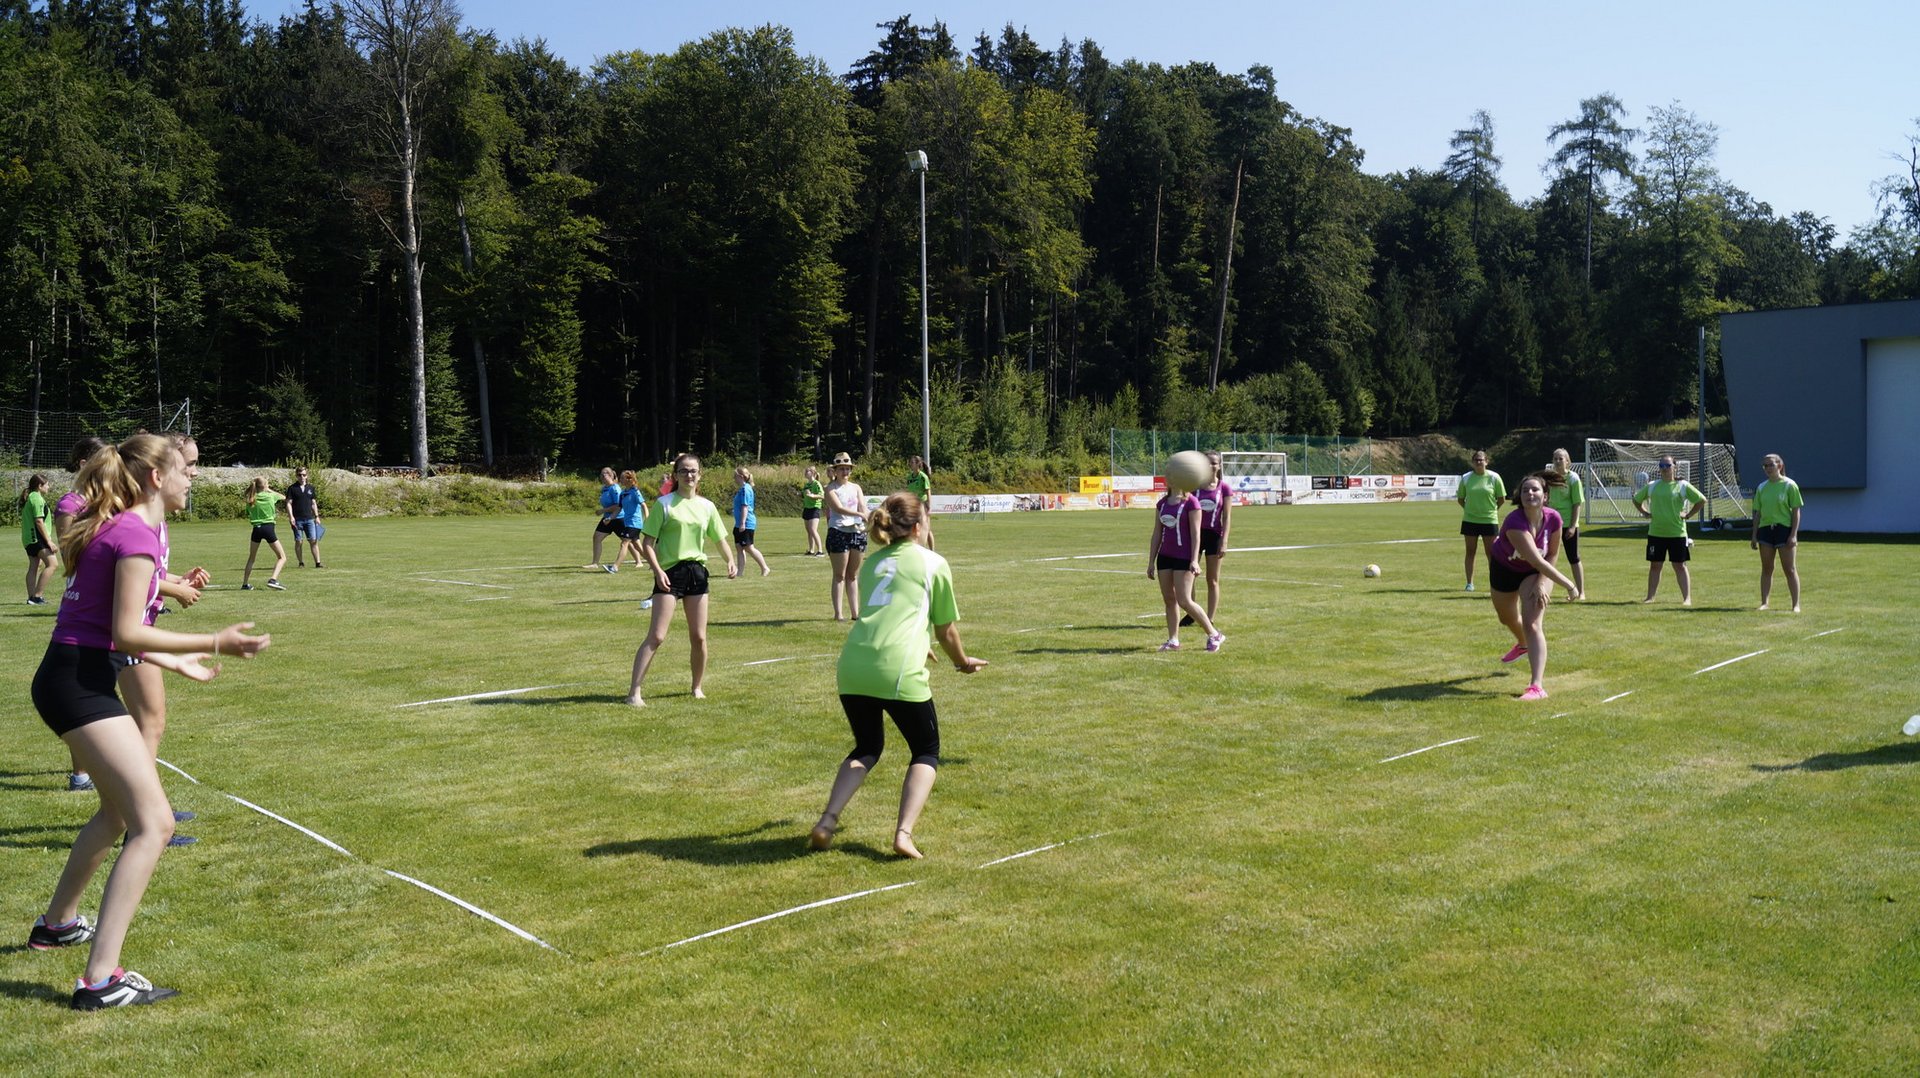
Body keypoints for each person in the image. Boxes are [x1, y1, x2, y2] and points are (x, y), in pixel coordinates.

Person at [26, 433, 269, 1009]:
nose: (192, 479)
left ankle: (57, 924)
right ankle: (100, 981)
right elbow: (127, 631)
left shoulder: (122, 527)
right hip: (78, 684)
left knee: (118, 813)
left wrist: (175, 659)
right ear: (157, 477)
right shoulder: (133, 532)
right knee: (154, 824)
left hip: (74, 677)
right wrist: (214, 641)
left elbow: (114, 630)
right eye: (185, 470)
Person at [808, 493, 986, 859]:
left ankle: (827, 821)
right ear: (918, 526)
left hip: (854, 664)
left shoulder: (873, 563)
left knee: (867, 747)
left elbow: (889, 614)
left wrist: (919, 643)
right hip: (897, 669)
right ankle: (903, 834)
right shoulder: (932, 562)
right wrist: (962, 661)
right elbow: (946, 631)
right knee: (926, 750)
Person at [123, 432, 214, 846]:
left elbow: (149, 573)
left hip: (140, 629)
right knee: (150, 723)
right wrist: (173, 589)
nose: (194, 473)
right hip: (131, 633)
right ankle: (142, 816)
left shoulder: (154, 519)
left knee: (150, 722)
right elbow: (130, 576)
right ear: (162, 470)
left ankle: (147, 808)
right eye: (188, 465)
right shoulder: (138, 520)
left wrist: (178, 579)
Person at [626, 454, 736, 707]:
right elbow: (648, 543)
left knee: (699, 637)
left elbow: (719, 539)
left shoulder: (707, 506)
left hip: (697, 573)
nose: (689, 475)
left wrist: (730, 559)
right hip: (669, 574)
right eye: (684, 471)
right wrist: (657, 571)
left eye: (693, 471)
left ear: (700, 474)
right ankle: (634, 692)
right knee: (657, 636)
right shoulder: (664, 504)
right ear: (676, 475)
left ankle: (697, 687)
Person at [1490, 471, 1582, 701]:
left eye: (1535, 489)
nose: (1530, 493)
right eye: (1525, 490)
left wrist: (1542, 581)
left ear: (1545, 496)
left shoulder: (1554, 518)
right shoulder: (1514, 522)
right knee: (1506, 618)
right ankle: (1522, 644)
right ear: (1519, 497)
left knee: (1532, 623)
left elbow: (1552, 555)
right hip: (1504, 570)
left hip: (1533, 573)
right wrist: (1570, 585)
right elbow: (1537, 559)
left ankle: (1536, 686)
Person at [53, 437, 109, 792]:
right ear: (85, 463)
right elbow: (69, 556)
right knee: (84, 691)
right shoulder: (70, 504)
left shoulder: (104, 501)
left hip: (104, 603)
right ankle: (81, 774)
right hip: (83, 604)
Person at [1147, 475, 1225, 652]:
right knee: (1169, 599)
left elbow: (1196, 534)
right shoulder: (1162, 504)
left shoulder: (1192, 503)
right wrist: (1151, 561)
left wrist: (1194, 560)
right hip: (1165, 557)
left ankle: (1214, 634)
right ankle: (1173, 640)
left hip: (1184, 557)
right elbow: (1157, 533)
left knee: (1184, 600)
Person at [1633, 456, 1705, 605]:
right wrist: (1645, 512)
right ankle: (1650, 597)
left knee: (1680, 566)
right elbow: (1636, 499)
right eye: (1662, 466)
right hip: (1656, 533)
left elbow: (1701, 500)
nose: (1664, 469)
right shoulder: (1652, 486)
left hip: (1677, 533)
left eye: (1667, 465)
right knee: (1655, 566)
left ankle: (1687, 599)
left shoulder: (1682, 485)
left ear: (1674, 467)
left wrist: (1688, 515)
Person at [1182, 450, 1232, 627]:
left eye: (1214, 463)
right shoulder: (1195, 486)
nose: (1211, 466)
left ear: (1219, 466)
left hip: (1214, 536)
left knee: (1212, 579)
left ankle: (1210, 619)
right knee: (1189, 576)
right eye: (1207, 462)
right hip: (1194, 535)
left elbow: (1226, 517)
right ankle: (1191, 613)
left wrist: (1224, 541)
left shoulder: (1224, 488)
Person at [1750, 453, 1804, 612]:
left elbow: (1796, 511)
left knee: (1789, 569)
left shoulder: (1789, 485)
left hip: (1784, 530)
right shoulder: (1761, 487)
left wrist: (1793, 534)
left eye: (1770, 465)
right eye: (1765, 466)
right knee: (1767, 568)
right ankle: (1764, 603)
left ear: (1779, 466)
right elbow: (1757, 513)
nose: (1767, 468)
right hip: (1766, 530)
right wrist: (1754, 535)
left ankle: (1795, 605)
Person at [823, 452, 868, 621]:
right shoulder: (830, 489)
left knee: (853, 575)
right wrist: (860, 514)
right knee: (839, 575)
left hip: (857, 531)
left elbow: (863, 506)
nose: (845, 472)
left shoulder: (856, 487)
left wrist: (869, 516)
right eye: (841, 469)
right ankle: (838, 614)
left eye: (847, 469)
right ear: (835, 471)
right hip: (838, 531)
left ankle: (855, 614)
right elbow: (838, 508)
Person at [1456, 450, 1505, 592]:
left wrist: (1492, 510)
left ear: (1486, 462)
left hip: (1489, 520)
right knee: (1470, 551)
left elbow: (1501, 499)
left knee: (1491, 553)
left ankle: (1495, 583)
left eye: (1481, 460)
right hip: (1470, 520)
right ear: (1472, 462)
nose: (1479, 462)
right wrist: (1470, 510)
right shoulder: (1466, 478)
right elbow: (1461, 499)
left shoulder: (1494, 477)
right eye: (1476, 460)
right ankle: (1469, 583)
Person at [1546, 448, 1586, 600]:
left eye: (1560, 459)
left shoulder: (1573, 478)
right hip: (1551, 524)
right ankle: (1544, 590)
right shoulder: (1549, 478)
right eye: (1555, 458)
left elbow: (1577, 503)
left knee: (1573, 557)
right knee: (1547, 558)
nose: (1557, 461)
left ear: (1567, 461)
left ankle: (1581, 592)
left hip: (1568, 523)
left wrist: (1573, 526)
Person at [240, 476, 287, 591]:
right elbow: (283, 497)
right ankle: (273, 579)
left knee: (252, 558)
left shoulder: (251, 498)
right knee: (282, 557)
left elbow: (248, 512)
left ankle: (245, 584)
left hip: (256, 529)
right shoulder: (271, 496)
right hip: (268, 528)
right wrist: (269, 490)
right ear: (265, 485)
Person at [21, 473, 57, 605]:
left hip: (29, 539)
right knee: (53, 564)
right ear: (39, 486)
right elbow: (39, 521)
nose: (48, 487)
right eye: (47, 484)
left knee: (34, 566)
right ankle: (37, 596)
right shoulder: (36, 498)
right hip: (36, 538)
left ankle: (31, 598)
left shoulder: (31, 497)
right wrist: (49, 541)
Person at [731, 466, 771, 577]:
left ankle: (765, 567)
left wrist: (743, 523)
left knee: (748, 547)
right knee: (739, 547)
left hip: (746, 523)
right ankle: (740, 572)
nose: (734, 478)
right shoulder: (741, 489)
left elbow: (745, 506)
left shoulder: (746, 489)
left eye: (735, 476)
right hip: (739, 523)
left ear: (741, 477)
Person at [285, 466, 325, 569]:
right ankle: (301, 562)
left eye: (304, 475)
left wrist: (317, 516)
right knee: (299, 541)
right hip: (297, 519)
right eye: (299, 475)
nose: (302, 477)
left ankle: (318, 563)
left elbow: (313, 503)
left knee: (313, 540)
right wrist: (291, 517)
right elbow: (288, 503)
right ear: (296, 476)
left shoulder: (311, 488)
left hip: (309, 519)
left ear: (307, 476)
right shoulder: (292, 488)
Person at [585, 467, 623, 571]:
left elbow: (618, 506)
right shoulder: (604, 488)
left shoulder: (615, 489)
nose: (601, 477)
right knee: (597, 537)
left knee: (629, 542)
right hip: (607, 518)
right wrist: (604, 512)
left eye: (604, 475)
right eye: (601, 475)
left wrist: (602, 510)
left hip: (618, 518)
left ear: (610, 475)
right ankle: (595, 563)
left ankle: (641, 561)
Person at [614, 470, 648, 572]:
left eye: (622, 478)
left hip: (635, 523)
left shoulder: (635, 492)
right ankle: (654, 563)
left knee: (624, 543)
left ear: (629, 479)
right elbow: (619, 508)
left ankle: (615, 567)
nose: (620, 480)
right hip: (627, 523)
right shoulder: (622, 493)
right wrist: (610, 518)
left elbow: (644, 505)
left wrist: (647, 518)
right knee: (638, 546)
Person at [906, 454, 935, 550]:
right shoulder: (909, 477)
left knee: (927, 529)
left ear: (918, 464)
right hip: (914, 505)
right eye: (910, 462)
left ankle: (931, 551)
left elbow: (928, 492)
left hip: (923, 504)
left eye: (912, 462)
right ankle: (918, 548)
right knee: (914, 527)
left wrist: (929, 507)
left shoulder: (923, 477)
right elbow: (908, 491)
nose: (910, 464)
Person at [799, 465, 826, 556]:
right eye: (805, 471)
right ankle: (811, 550)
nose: (805, 473)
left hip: (815, 508)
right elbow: (805, 495)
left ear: (813, 473)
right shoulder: (806, 485)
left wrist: (813, 496)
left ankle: (820, 550)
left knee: (813, 530)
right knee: (809, 531)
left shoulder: (816, 483)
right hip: (807, 508)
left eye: (808, 471)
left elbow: (822, 495)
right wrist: (800, 494)